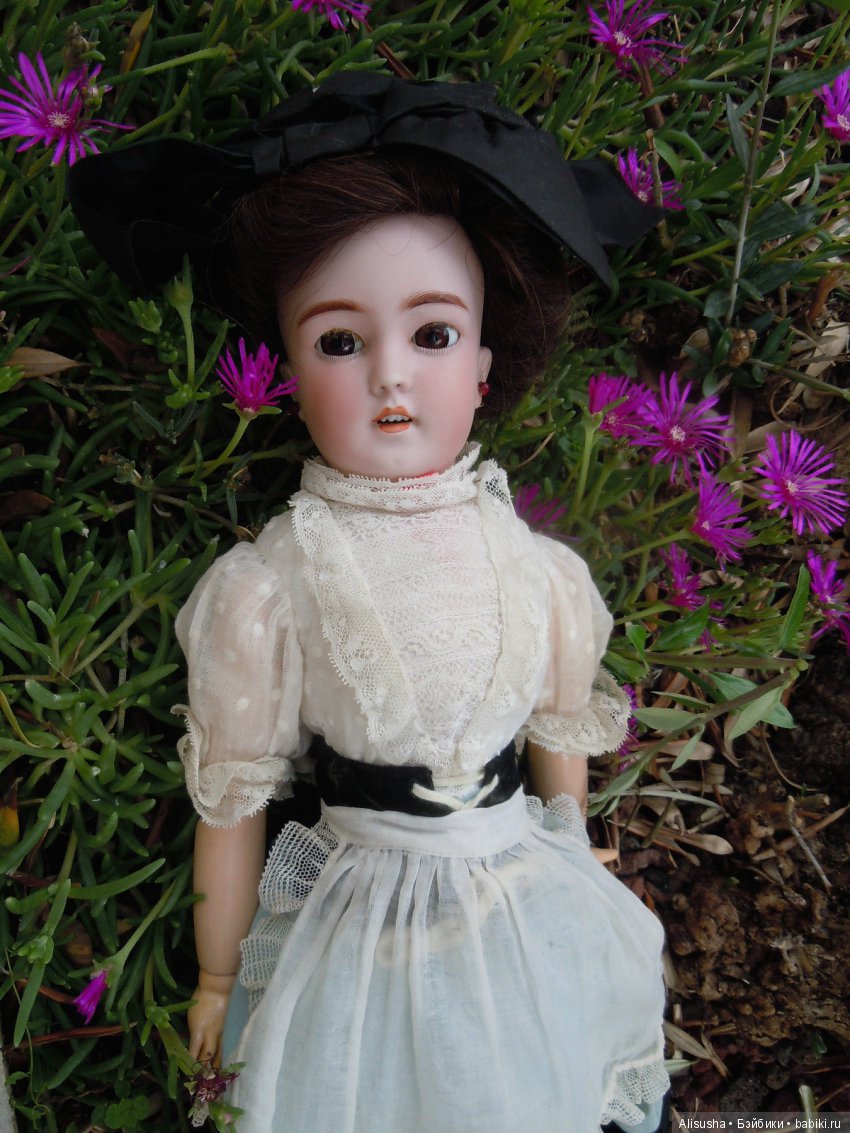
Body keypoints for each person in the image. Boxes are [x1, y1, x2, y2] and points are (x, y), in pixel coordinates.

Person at [70, 73, 670, 1133]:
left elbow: (555, 732)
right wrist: (219, 976)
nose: (391, 376)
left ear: (483, 366)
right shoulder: (272, 581)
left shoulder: (534, 564)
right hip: (363, 916)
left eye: (432, 334)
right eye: (340, 342)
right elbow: (235, 801)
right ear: (290, 373)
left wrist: (574, 845)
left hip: (520, 893)